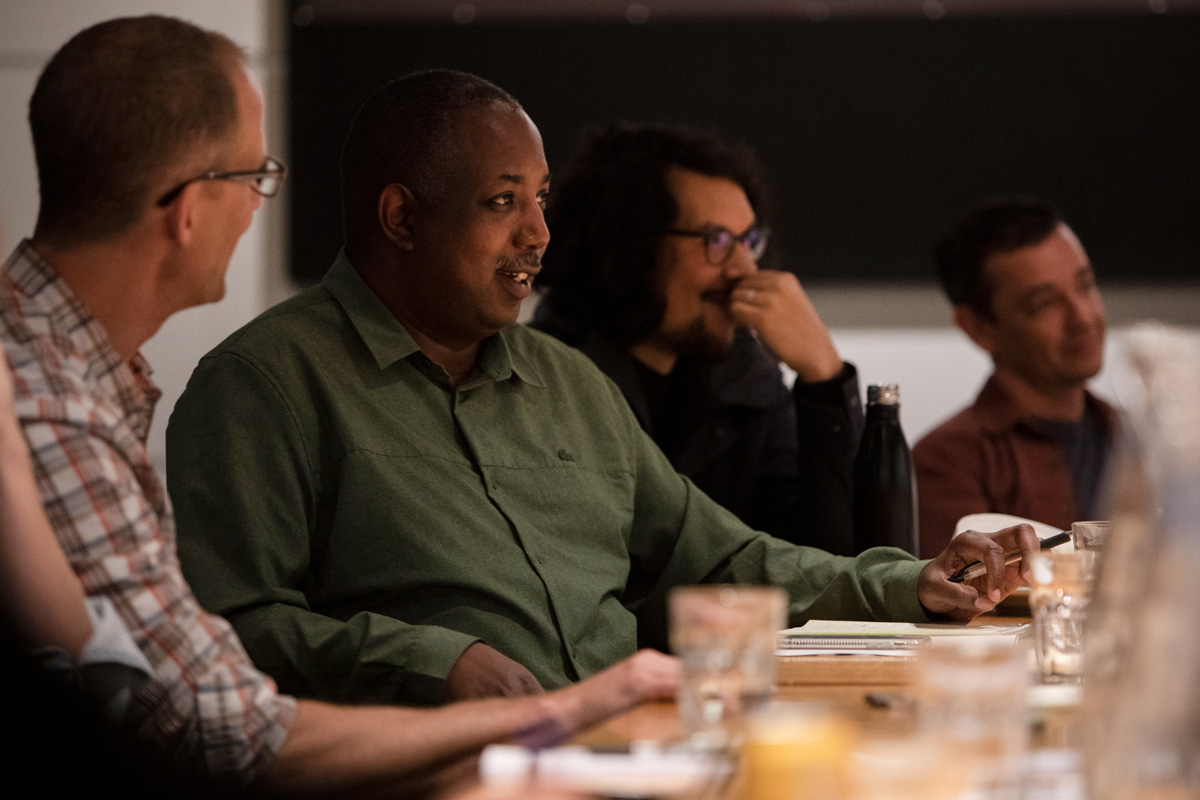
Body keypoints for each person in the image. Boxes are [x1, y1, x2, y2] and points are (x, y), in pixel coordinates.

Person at [167, 68, 1038, 711]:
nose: (539, 235)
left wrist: (909, 582)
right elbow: (229, 627)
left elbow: (727, 557)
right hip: (449, 768)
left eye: (541, 200)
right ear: (401, 217)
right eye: (503, 202)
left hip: (633, 744)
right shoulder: (263, 386)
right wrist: (432, 659)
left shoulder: (565, 382)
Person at [1, 16, 677, 795]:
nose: (261, 206)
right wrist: (566, 714)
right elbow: (226, 726)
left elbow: (129, 669)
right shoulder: (51, 407)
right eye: (257, 178)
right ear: (188, 210)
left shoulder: (69, 381)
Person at [532, 123, 860, 555]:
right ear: (631, 245)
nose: (744, 270)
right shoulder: (544, 376)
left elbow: (827, 557)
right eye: (717, 240)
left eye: (748, 241)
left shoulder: (746, 375)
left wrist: (824, 378)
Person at [913, 197, 1117, 559]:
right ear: (978, 328)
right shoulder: (947, 462)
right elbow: (960, 598)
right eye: (1044, 304)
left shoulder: (1139, 438)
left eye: (1085, 286)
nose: (1083, 317)